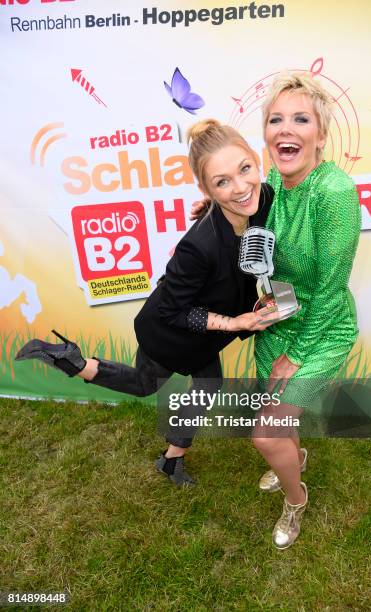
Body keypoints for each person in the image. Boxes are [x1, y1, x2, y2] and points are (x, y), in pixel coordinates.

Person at [15, 119, 279, 487]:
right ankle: (72, 361)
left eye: (245, 169)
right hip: (169, 330)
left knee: (208, 383)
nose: (241, 187)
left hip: (202, 332)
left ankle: (171, 461)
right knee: (145, 383)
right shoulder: (197, 246)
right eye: (222, 182)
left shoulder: (265, 199)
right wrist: (235, 323)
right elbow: (174, 310)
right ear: (206, 187)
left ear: (256, 161)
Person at [191, 72, 361, 549]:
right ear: (265, 132)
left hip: (321, 329)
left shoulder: (334, 193)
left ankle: (296, 497)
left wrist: (298, 353)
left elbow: (330, 289)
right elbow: (249, 219)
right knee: (280, 422)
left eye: (300, 119)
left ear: (321, 135)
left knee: (265, 434)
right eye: (275, 119)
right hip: (278, 317)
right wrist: (212, 209)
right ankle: (295, 457)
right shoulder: (270, 182)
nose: (286, 128)